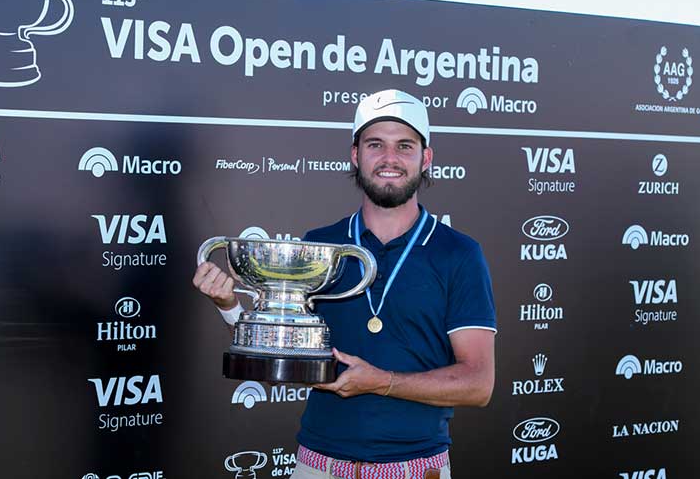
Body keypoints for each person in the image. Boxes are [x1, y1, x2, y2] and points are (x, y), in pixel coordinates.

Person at [193, 89, 497, 479]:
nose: (390, 159)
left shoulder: (458, 254)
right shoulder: (320, 248)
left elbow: (477, 384)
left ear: (427, 158)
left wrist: (383, 383)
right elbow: (280, 362)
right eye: (375, 145)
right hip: (318, 465)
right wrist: (228, 304)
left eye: (405, 146)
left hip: (417, 469)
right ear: (355, 155)